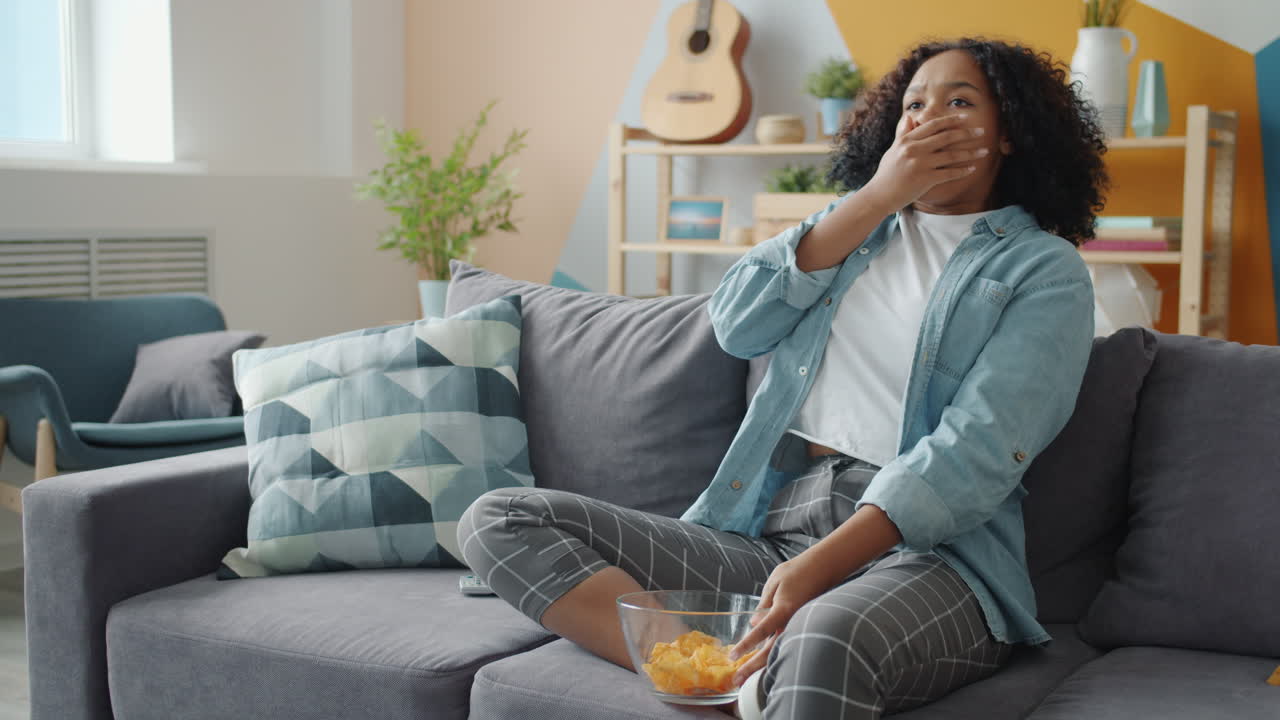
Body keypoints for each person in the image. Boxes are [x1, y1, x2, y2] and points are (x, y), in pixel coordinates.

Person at [458, 37, 1108, 719]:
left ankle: (750, 670)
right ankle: (711, 676)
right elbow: (736, 322)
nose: (928, 117)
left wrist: (818, 570)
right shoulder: (856, 229)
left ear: (1009, 134)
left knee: (824, 638)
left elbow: (977, 451)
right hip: (771, 530)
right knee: (500, 518)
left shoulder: (1045, 271)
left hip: (932, 559)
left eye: (960, 102)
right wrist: (877, 197)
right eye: (915, 104)